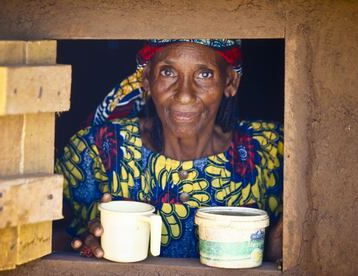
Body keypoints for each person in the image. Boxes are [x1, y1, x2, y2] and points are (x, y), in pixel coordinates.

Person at [55, 39, 283, 261]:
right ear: (146, 78)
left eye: (204, 74)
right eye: (168, 72)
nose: (184, 94)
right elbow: (52, 234)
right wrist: (82, 243)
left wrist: (280, 247)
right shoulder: (97, 149)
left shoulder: (271, 151)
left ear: (230, 81)